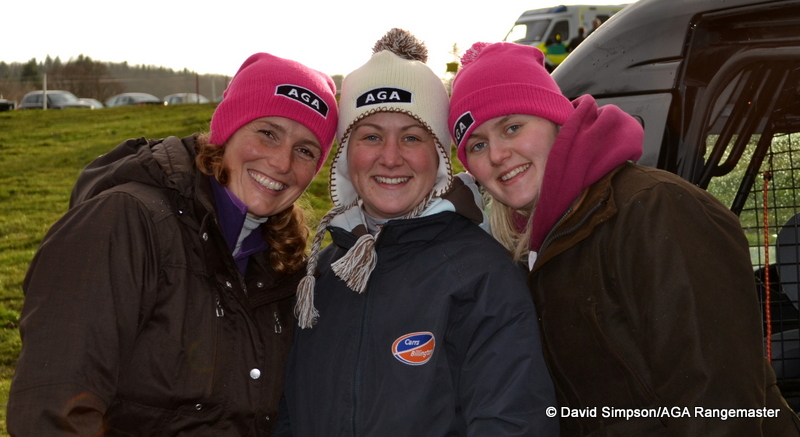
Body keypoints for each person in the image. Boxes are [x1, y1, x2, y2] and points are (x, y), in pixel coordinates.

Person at [448, 41, 800, 435]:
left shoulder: (654, 209)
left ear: (555, 120)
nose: (497, 154)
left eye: (512, 127)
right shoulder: (529, 247)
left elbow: (717, 410)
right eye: (477, 145)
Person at [7, 52, 338, 435]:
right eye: (268, 133)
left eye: (305, 150)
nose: (282, 162)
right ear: (228, 130)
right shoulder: (126, 222)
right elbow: (53, 411)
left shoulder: (284, 264)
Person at [280, 29, 558, 436]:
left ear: (439, 158)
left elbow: (513, 421)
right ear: (345, 156)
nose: (390, 158)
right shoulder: (319, 276)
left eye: (411, 137)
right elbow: (286, 414)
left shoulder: (482, 275)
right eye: (371, 136)